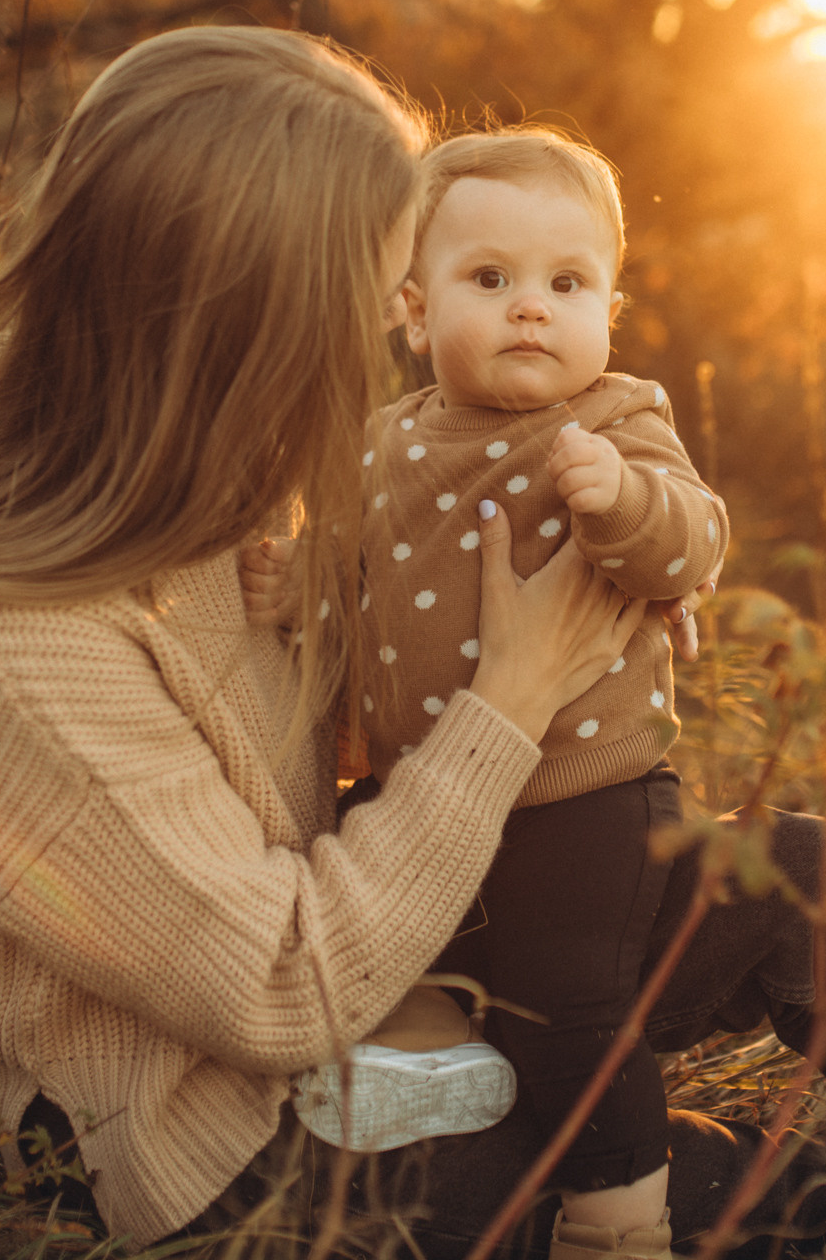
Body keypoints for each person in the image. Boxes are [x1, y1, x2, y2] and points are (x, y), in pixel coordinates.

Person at [0, 25, 826, 1259]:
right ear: (250, 314)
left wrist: (626, 562)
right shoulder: (18, 639)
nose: (393, 328)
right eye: (386, 286)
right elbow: (280, 987)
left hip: (410, 964)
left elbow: (348, 699)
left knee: (800, 880)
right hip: (235, 1152)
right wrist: (517, 687)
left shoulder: (212, 479)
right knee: (772, 1201)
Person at [243, 129, 727, 1260]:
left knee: (564, 1001)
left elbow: (695, 543)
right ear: (415, 313)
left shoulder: (617, 421)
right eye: (492, 278)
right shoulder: (383, 443)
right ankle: (423, 1071)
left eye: (568, 284)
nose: (532, 309)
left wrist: (624, 502)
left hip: (581, 791)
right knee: (396, 938)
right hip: (424, 789)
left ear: (610, 309)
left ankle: (620, 1222)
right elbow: (353, 587)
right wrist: (297, 589)